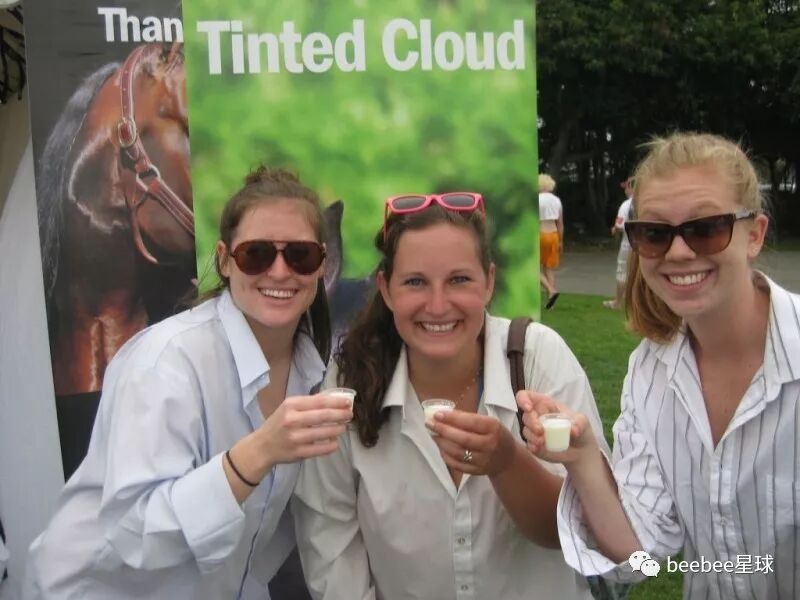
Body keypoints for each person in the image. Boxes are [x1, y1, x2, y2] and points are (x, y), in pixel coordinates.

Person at [22, 167, 354, 599]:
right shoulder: (166, 362)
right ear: (224, 260)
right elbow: (138, 534)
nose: (279, 271)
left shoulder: (314, 371)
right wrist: (257, 452)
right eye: (256, 254)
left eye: (300, 255)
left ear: (323, 265)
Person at [518, 132, 800, 599]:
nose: (678, 252)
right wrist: (583, 456)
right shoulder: (651, 371)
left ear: (755, 234)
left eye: (705, 228)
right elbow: (641, 560)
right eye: (654, 234)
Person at [292, 192, 607, 599]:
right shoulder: (349, 380)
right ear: (385, 289)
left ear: (489, 282)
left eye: (459, 280)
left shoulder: (537, 358)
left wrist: (508, 463)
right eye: (415, 282)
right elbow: (329, 538)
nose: (438, 306)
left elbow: (591, 528)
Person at [603, 179, 634, 310]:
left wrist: (614, 229)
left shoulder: (626, 205)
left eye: (626, 187)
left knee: (623, 272)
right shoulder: (647, 202)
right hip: (645, 243)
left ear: (631, 188)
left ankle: (618, 302)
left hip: (629, 242)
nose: (625, 190)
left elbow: (619, 226)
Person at [538, 174, 563, 309]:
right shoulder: (556, 200)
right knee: (549, 268)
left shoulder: (537, 199)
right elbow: (560, 223)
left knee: (533, 268)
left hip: (541, 234)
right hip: (554, 235)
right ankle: (551, 303)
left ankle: (550, 289)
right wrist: (561, 241)